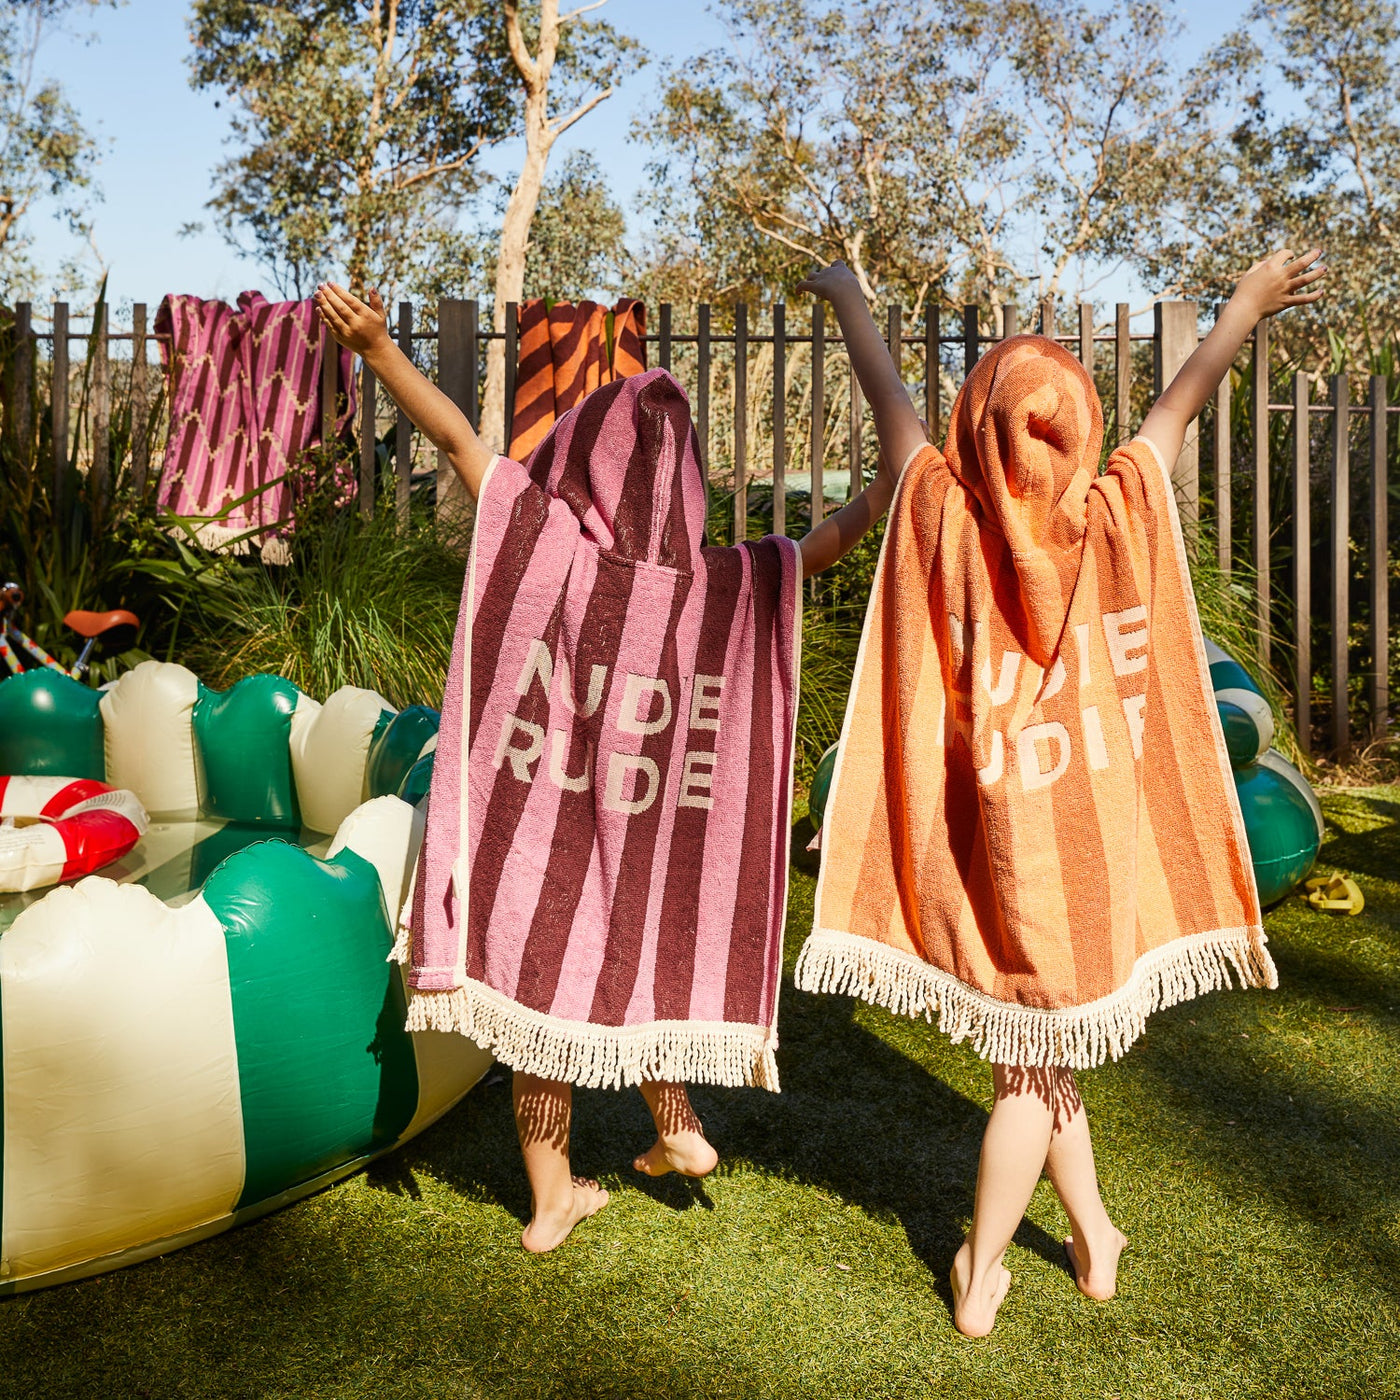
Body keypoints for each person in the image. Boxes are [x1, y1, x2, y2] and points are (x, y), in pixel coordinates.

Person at [795, 248, 1325, 1336]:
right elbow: (1181, 400)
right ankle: (1093, 1229)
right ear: (1082, 432)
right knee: (1035, 1053)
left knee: (1023, 1070)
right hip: (1077, 857)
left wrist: (850, 296)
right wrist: (1239, 306)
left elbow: (883, 391)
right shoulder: (1119, 506)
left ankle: (977, 1262)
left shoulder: (938, 507)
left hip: (1013, 861)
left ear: (971, 429)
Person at [313, 281, 898, 1253]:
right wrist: (884, 489)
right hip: (648, 848)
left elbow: (462, 444)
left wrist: (377, 346)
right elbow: (821, 543)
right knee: (633, 982)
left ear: (581, 459)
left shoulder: (545, 546)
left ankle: (551, 1202)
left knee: (543, 1012)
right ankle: (677, 1127)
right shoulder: (718, 582)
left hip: (549, 840)